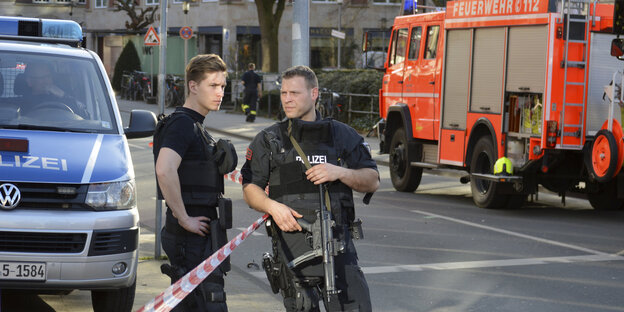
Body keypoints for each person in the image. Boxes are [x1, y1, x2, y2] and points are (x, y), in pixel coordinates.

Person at [241, 65, 379, 312]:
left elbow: (372, 180)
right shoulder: (270, 140)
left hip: (338, 245)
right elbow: (251, 188)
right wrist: (273, 207)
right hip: (292, 248)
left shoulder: (341, 135)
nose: (287, 99)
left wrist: (340, 172)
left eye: (294, 93)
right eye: (283, 93)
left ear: (314, 93)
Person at [153, 54, 236, 312]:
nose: (220, 92)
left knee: (191, 304)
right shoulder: (183, 124)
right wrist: (184, 218)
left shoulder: (196, 126)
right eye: (213, 85)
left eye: (222, 86)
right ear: (193, 86)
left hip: (199, 235)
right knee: (207, 303)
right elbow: (165, 170)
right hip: (189, 237)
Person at [20, 62, 88, 118]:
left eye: (48, 76)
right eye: (42, 78)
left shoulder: (64, 100)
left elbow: (84, 114)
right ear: (29, 81)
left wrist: (63, 95)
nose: (46, 81)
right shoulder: (19, 103)